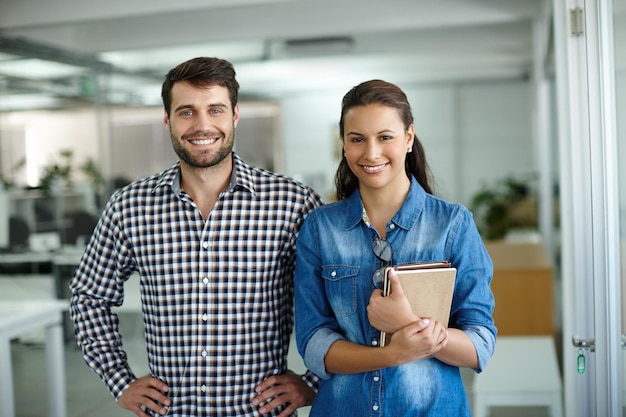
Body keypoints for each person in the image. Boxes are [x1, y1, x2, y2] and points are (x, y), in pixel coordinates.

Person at [69, 57, 322, 417]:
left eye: (215, 110)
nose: (202, 125)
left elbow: (337, 298)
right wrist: (119, 380)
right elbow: (89, 296)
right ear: (167, 119)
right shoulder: (129, 207)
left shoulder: (292, 202)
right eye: (186, 112)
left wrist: (312, 381)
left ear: (234, 115)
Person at [294, 79, 496, 416]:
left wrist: (407, 322)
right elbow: (314, 345)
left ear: (408, 138)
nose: (371, 153)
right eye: (357, 139)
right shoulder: (320, 228)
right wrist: (391, 354)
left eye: (385, 137)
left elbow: (479, 347)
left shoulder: (453, 225)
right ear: (343, 145)